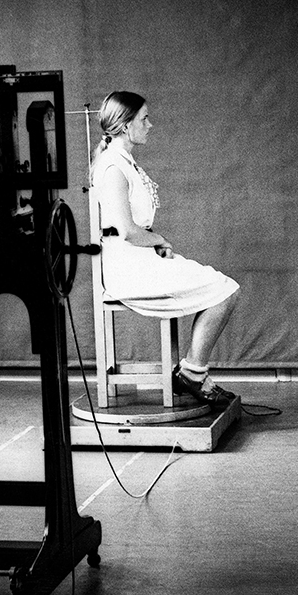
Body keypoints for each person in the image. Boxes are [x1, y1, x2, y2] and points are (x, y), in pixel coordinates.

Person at [92, 91, 241, 405]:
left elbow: (135, 231)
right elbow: (128, 232)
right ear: (124, 125)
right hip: (127, 270)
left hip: (141, 260)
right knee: (224, 290)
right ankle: (192, 375)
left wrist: (155, 245)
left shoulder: (125, 163)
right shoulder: (113, 168)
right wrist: (159, 240)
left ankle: (192, 372)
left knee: (224, 289)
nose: (150, 124)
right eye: (144, 118)